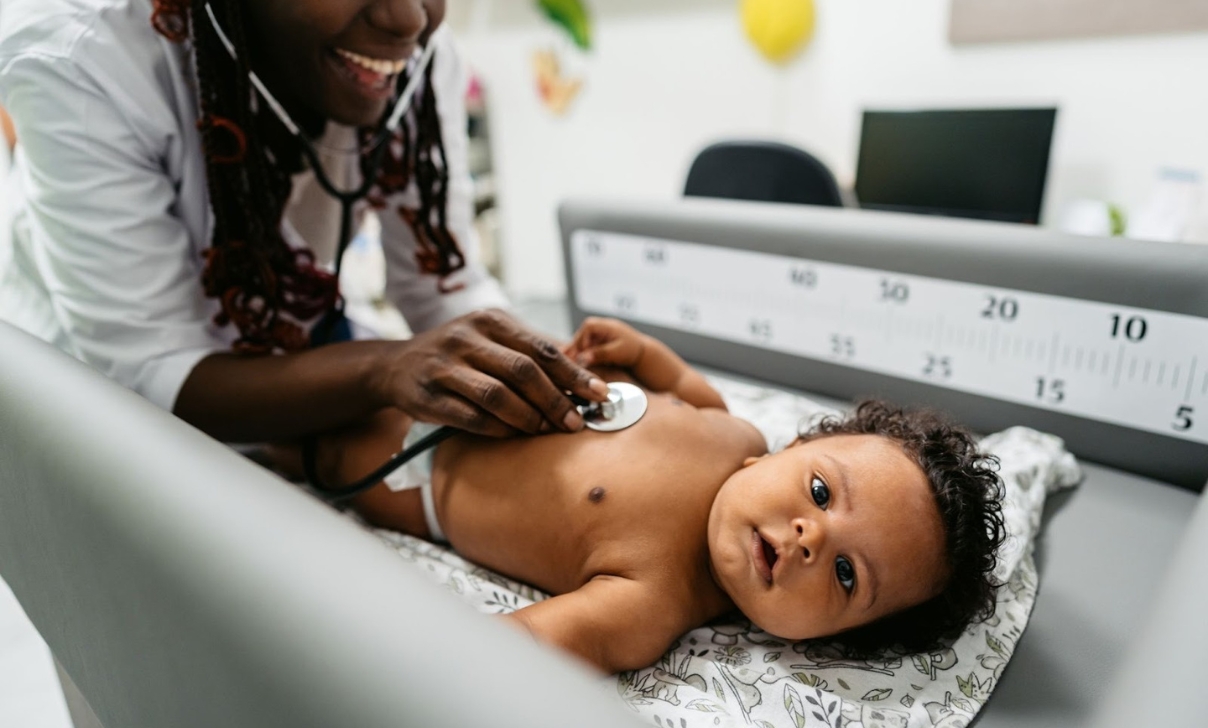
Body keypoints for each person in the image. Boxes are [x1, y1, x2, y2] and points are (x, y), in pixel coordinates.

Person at [0, 0, 606, 445]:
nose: (409, 21)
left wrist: (553, 368)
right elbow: (155, 373)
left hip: (284, 351)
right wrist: (382, 367)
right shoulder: (80, 60)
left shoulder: (413, 60)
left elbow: (440, 287)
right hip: (99, 400)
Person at [311, 317, 1007, 674]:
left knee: (314, 445)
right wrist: (643, 353)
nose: (811, 539)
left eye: (846, 575)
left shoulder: (653, 600)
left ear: (835, 636)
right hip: (468, 379)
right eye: (821, 491)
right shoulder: (735, 431)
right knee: (338, 362)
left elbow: (527, 641)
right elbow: (686, 390)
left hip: (415, 473)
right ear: (791, 448)